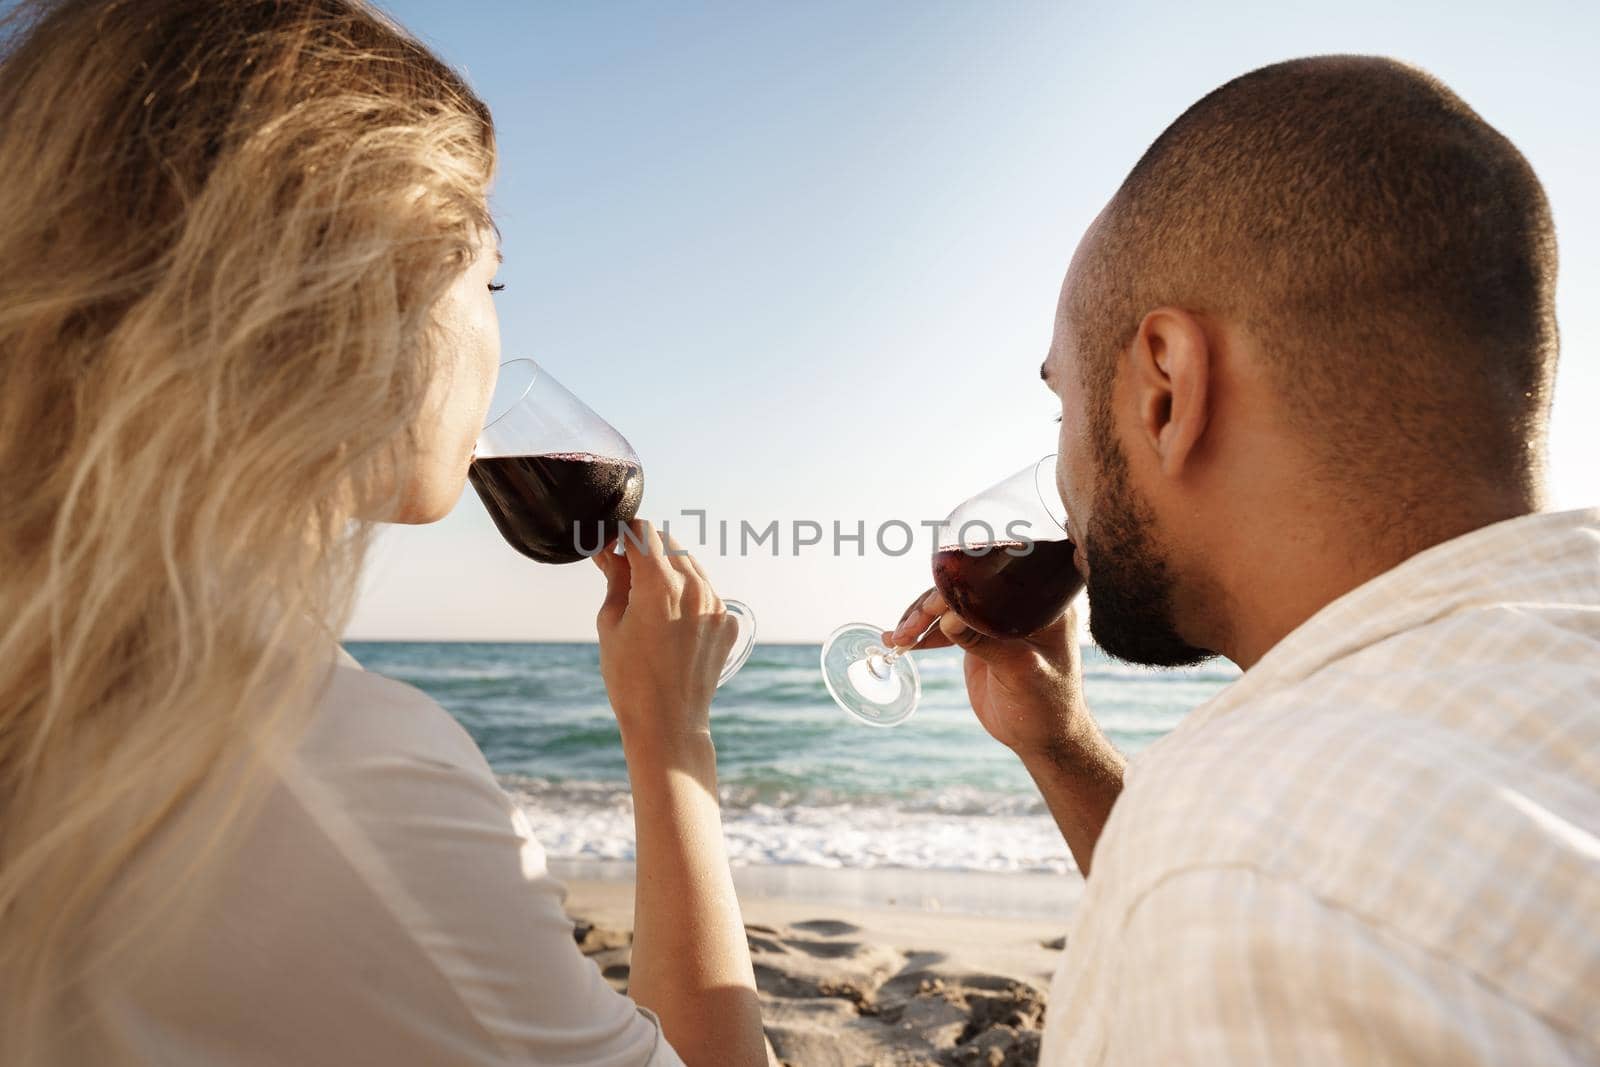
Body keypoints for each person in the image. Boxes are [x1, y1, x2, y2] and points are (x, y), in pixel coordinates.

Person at [0, 2, 766, 1065]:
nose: (498, 334)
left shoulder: (73, 688)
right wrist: (671, 742)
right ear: (365, 291)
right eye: (486, 275)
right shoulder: (335, 771)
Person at [889, 56, 1599, 1064]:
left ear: (1165, 389)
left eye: (1065, 405)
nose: (1064, 465)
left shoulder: (1243, 874)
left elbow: (1255, 884)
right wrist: (1062, 746)